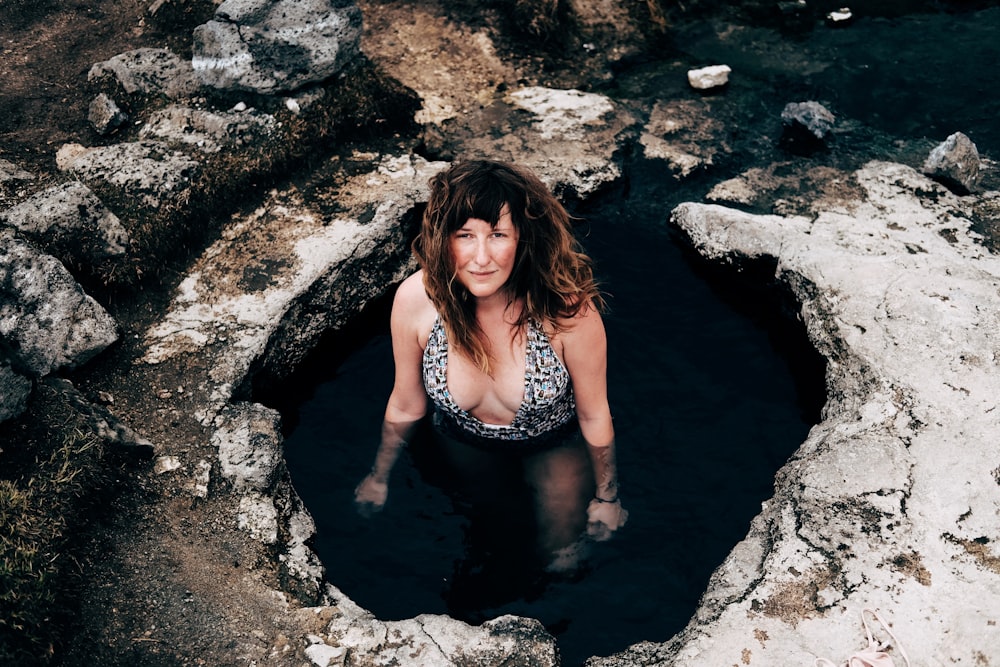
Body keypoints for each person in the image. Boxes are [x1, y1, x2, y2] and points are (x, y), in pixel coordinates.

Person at [354, 159, 627, 575]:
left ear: (523, 237)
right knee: (486, 528)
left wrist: (608, 497)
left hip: (550, 442)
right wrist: (379, 475)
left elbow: (594, 413)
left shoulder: (566, 312)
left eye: (498, 234)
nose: (481, 258)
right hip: (463, 441)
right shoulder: (417, 300)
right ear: (444, 239)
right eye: (466, 235)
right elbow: (407, 403)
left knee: (565, 559)